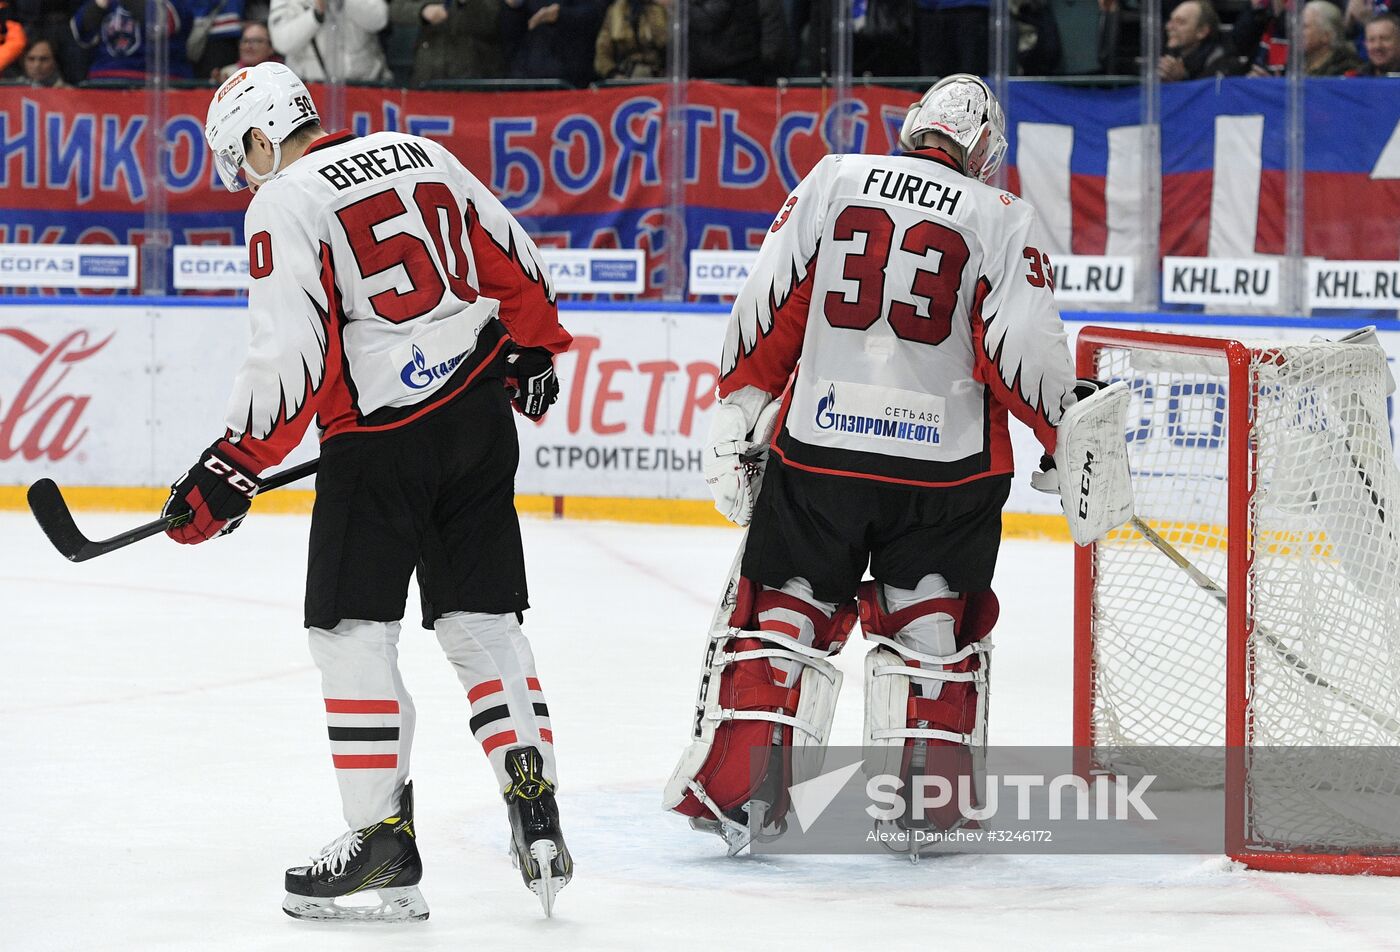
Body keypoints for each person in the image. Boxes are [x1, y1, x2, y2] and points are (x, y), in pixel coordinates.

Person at [173, 61, 574, 921]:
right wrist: (533, 347)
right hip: (476, 421)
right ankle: (532, 800)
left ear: (259, 136)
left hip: (378, 446)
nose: (244, 174)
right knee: (483, 621)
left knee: (350, 631)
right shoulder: (419, 151)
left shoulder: (283, 200)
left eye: (241, 156)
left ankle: (381, 844)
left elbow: (292, 356)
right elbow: (514, 258)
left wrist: (234, 462)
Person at [663, 75, 1086, 854]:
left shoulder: (836, 177)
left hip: (822, 451)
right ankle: (926, 806)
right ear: (985, 153)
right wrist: (1064, 433)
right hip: (948, 471)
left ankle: (746, 795)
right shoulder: (999, 216)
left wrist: (739, 403)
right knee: (932, 629)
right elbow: (1020, 349)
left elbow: (773, 298)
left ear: (916, 125)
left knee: (784, 618)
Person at [70, 0, 197, 80]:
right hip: (104, 80)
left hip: (156, 82)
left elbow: (163, 23)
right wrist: (98, 6)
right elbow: (81, 34)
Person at [268, 0, 390, 82]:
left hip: (367, 86)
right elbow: (282, 42)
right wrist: (316, 15)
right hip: (311, 88)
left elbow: (379, 20)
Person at [389, 0, 504, 84]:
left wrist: (467, 4)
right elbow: (395, 9)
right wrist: (422, 11)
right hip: (428, 68)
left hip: (474, 70)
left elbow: (494, 20)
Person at [1158, 0, 1238, 80]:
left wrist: (1183, 78)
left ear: (1202, 32)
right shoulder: (1169, 55)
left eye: (1180, 22)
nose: (1169, 27)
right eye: (1171, 20)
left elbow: (1211, 90)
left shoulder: (1222, 61)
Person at [594, 0, 669, 79]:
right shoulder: (615, 12)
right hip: (626, 75)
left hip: (658, 75)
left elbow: (672, 47)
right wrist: (613, 73)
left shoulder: (659, 10)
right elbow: (602, 52)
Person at [1302, 0, 1362, 72]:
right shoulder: (1295, 64)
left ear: (1326, 36)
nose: (1297, 32)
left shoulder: (1346, 70)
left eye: (1304, 27)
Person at [212, 19, 276, 81]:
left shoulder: (280, 72)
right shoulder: (227, 74)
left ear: (271, 47)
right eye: (245, 41)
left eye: (256, 41)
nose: (248, 46)